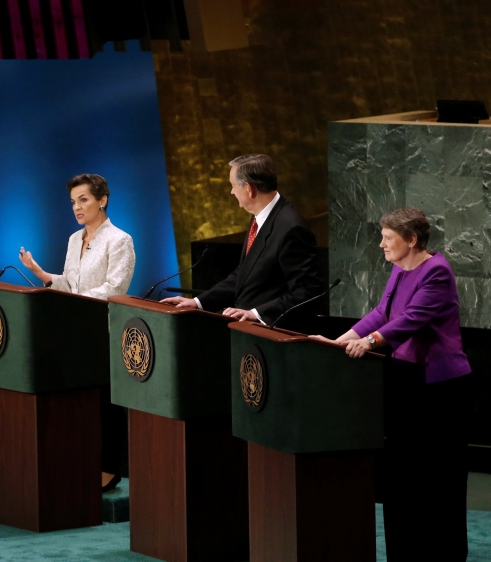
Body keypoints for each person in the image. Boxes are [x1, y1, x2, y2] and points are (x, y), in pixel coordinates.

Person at [310, 208, 473, 560]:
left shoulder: (437, 272)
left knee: (436, 475)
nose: (381, 244)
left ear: (411, 240)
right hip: (404, 378)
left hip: (438, 387)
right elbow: (382, 312)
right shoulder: (400, 268)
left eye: (388, 238)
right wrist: (342, 340)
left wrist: (368, 343)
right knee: (403, 474)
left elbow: (413, 319)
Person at [19, 173, 134, 492]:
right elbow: (71, 283)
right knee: (78, 401)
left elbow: (115, 288)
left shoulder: (119, 240)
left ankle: (109, 470)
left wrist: (77, 299)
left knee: (104, 402)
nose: (77, 207)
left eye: (83, 199)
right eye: (73, 202)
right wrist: (43, 275)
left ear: (102, 200)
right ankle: (82, 461)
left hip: (103, 331)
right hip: (74, 331)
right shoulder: (74, 239)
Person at [160, 154, 322, 331]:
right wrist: (197, 302)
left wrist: (256, 314)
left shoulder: (291, 228)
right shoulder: (259, 218)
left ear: (249, 189)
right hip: (248, 334)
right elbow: (243, 277)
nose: (231, 192)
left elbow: (307, 291)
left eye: (233, 186)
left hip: (275, 336)